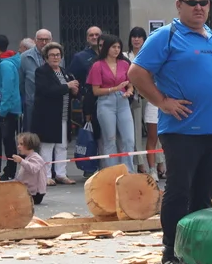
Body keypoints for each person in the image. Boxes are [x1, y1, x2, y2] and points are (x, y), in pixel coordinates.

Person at [129, 0, 212, 264]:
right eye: (192, 2)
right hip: (182, 129)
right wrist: (162, 102)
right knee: (179, 190)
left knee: (204, 193)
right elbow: (136, 72)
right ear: (178, 5)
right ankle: (171, 251)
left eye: (204, 2)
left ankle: (197, 251)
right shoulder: (167, 36)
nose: (199, 7)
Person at [32, 42, 79, 185]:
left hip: (63, 115)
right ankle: (46, 175)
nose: (55, 57)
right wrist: (67, 86)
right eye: (52, 55)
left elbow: (69, 91)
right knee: (47, 146)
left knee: (62, 146)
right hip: (48, 116)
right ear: (46, 57)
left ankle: (61, 174)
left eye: (58, 55)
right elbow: (46, 91)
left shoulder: (64, 72)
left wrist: (74, 91)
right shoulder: (41, 72)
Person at [87, 34, 135, 171]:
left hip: (123, 101)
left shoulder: (125, 64)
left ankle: (128, 171)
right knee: (110, 139)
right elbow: (95, 91)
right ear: (107, 48)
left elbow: (130, 84)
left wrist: (129, 91)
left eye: (119, 47)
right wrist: (115, 88)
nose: (117, 50)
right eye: (114, 47)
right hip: (106, 102)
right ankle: (113, 172)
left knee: (129, 139)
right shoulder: (97, 65)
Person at [0, 34, 21, 181]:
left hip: (4, 109)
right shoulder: (2, 62)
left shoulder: (5, 64)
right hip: (2, 108)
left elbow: (7, 89)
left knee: (6, 141)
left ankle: (8, 170)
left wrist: (2, 110)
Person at [20, 29, 54, 132]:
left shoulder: (57, 56)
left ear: (51, 40)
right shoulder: (25, 57)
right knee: (31, 133)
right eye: (40, 40)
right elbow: (21, 82)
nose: (44, 42)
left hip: (52, 102)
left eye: (46, 40)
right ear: (35, 40)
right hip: (32, 102)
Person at [125, 27, 149, 174]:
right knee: (136, 132)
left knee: (154, 132)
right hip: (133, 97)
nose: (136, 39)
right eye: (134, 36)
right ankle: (139, 162)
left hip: (150, 96)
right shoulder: (125, 56)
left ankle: (158, 162)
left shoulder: (149, 54)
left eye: (140, 37)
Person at [10, 131, 47, 205]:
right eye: (18, 144)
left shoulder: (36, 158)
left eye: (21, 144)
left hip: (35, 193)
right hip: (29, 191)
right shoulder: (28, 158)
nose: (18, 146)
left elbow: (33, 169)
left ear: (29, 145)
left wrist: (21, 161)